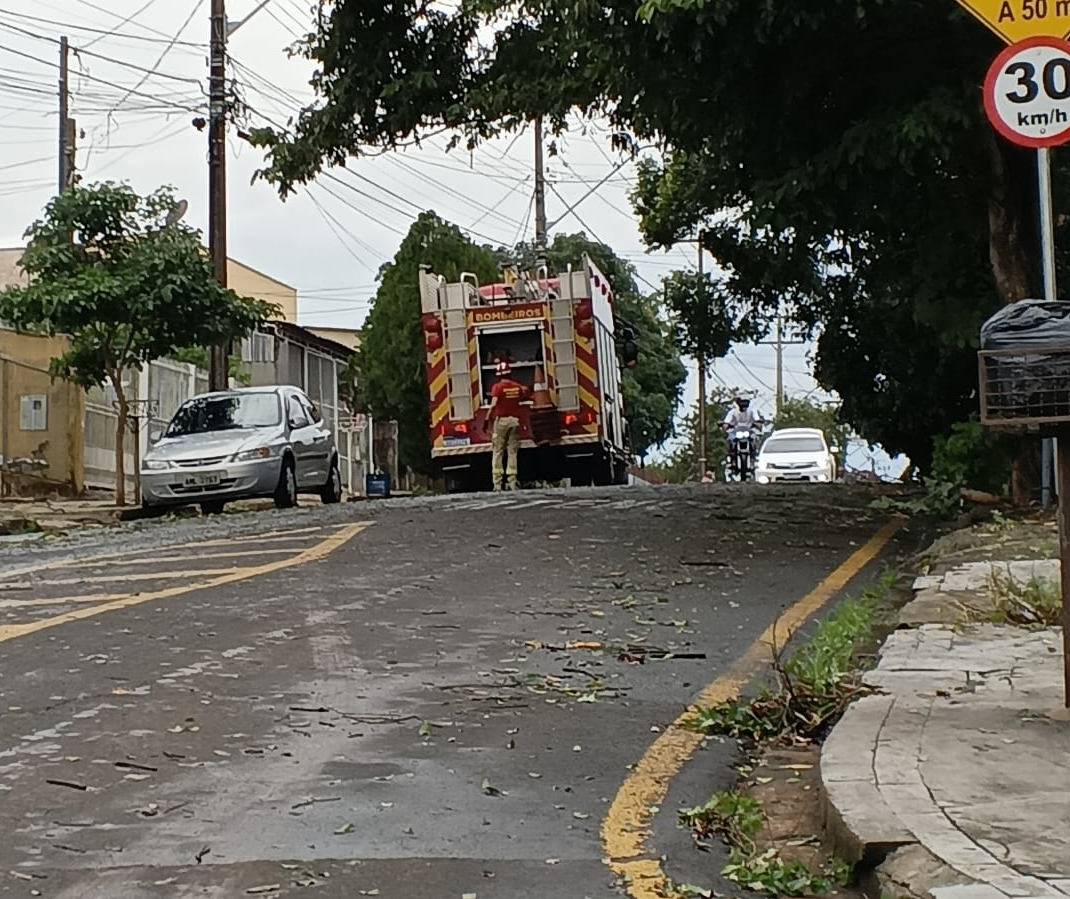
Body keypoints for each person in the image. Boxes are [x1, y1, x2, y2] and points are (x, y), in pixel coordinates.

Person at [486, 361, 531, 491]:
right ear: (510, 373)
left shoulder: (497, 387)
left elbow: (494, 404)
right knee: (512, 451)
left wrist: (487, 417)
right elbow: (525, 393)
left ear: (498, 375)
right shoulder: (517, 386)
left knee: (498, 451)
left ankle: (497, 483)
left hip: (501, 422)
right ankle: (512, 481)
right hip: (515, 421)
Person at [722, 396, 763, 474]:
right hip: (735, 431)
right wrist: (725, 425)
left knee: (755, 439)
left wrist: (758, 424)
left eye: (745, 402)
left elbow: (757, 420)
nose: (744, 404)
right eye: (742, 402)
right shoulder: (732, 412)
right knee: (730, 439)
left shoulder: (752, 411)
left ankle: (753, 458)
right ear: (738, 403)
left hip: (749, 431)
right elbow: (726, 422)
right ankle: (731, 459)